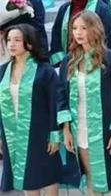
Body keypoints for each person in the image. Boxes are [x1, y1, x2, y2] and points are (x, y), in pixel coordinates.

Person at [58, 11, 111, 195]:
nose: (78, 33)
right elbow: (61, 95)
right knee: (90, 174)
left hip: (109, 128)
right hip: (80, 127)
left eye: (84, 28)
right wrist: (66, 129)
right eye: (75, 28)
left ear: (95, 29)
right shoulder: (69, 60)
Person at [0, 24, 62, 194]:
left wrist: (55, 135)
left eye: (17, 40)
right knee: (26, 179)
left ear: (29, 43)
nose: (11, 44)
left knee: (48, 175)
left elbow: (55, 104)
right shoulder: (3, 71)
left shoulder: (45, 71)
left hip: (41, 134)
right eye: (9, 40)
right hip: (13, 132)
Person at [49, 0, 111, 65]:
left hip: (95, 62)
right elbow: (56, 33)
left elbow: (107, 37)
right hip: (68, 62)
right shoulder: (65, 8)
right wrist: (61, 60)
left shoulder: (102, 10)